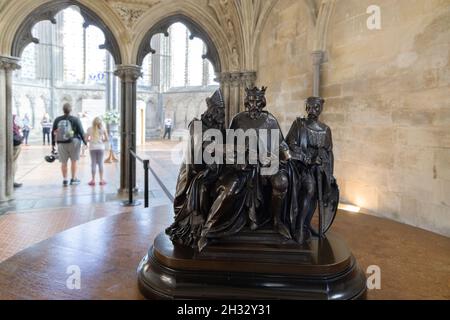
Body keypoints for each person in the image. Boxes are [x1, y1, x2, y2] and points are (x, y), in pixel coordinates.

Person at [166, 90, 225, 248]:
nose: (222, 114)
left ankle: (214, 228)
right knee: (200, 187)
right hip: (193, 172)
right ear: (211, 110)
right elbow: (204, 146)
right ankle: (197, 229)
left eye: (223, 111)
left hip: (212, 170)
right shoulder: (196, 125)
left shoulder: (219, 127)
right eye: (219, 111)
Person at [286, 97, 339, 243]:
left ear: (321, 108)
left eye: (316, 107)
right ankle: (299, 227)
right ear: (305, 108)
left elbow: (329, 152)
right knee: (309, 189)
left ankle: (306, 224)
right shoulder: (299, 125)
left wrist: (330, 173)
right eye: (309, 107)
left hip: (320, 170)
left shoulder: (325, 129)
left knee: (316, 195)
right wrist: (307, 159)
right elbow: (290, 145)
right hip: (301, 168)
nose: (312, 110)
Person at [52, 103, 87, 187]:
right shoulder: (75, 119)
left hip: (61, 143)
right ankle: (73, 179)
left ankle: (64, 180)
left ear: (63, 110)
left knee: (63, 162)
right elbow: (81, 132)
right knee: (74, 161)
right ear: (71, 110)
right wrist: (85, 143)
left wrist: (53, 144)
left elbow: (53, 132)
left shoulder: (57, 119)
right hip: (74, 142)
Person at [85, 117, 109, 186]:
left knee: (93, 163)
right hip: (101, 148)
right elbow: (107, 139)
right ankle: (101, 180)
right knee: (101, 163)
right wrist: (101, 141)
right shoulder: (103, 129)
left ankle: (93, 180)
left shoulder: (89, 129)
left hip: (92, 148)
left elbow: (86, 139)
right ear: (100, 123)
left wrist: (91, 141)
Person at [12, 115, 23, 188]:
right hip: (15, 143)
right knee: (13, 162)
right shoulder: (14, 117)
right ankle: (11, 181)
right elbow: (20, 125)